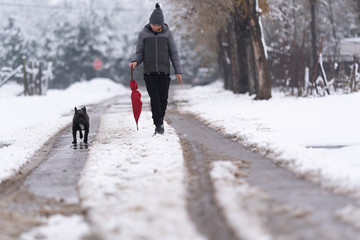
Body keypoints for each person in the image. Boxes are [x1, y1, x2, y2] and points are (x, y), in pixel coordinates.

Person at [129, 3, 182, 135]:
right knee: (155, 98)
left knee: (163, 98)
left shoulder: (168, 34)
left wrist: (178, 71)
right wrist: (135, 61)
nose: (155, 27)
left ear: (162, 24)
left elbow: (174, 54)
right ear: (150, 22)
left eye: (158, 25)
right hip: (149, 72)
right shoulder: (143, 34)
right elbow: (140, 52)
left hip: (164, 72)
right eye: (153, 24)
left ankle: (160, 120)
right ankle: (158, 124)